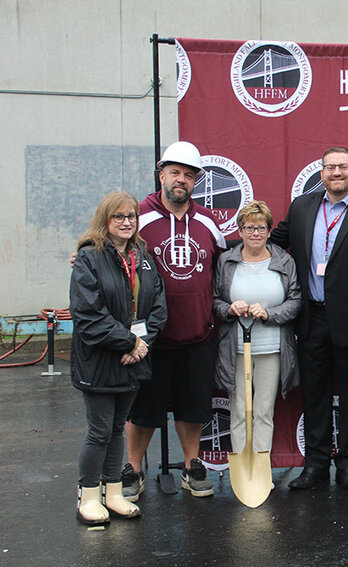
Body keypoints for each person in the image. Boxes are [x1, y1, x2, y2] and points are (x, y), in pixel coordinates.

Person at [269, 147, 348, 491]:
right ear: (321, 173)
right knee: (314, 396)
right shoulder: (302, 207)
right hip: (311, 319)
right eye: (330, 167)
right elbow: (271, 242)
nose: (336, 172)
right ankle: (315, 466)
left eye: (343, 167)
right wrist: (222, 247)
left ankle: (347, 467)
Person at [122, 141, 226, 499]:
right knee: (143, 410)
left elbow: (227, 265)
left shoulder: (209, 222)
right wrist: (84, 255)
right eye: (175, 172)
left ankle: (191, 466)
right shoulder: (137, 216)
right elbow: (107, 249)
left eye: (188, 174)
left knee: (193, 406)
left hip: (198, 335)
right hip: (149, 339)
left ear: (195, 181)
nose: (181, 180)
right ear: (161, 173)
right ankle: (133, 469)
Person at [70, 191, 167, 524]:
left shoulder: (142, 255)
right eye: (119, 217)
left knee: (115, 430)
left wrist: (140, 345)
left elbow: (157, 307)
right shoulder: (88, 258)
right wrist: (128, 343)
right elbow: (88, 314)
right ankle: (87, 495)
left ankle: (113, 492)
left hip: (133, 359)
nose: (127, 223)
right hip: (101, 360)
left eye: (131, 217)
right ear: (105, 221)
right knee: (98, 430)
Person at [213, 201, 301, 457]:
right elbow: (215, 301)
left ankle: (261, 468)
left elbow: (295, 301)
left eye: (261, 228)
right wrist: (229, 309)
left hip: (272, 348)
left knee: (263, 410)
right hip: (235, 349)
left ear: (269, 231)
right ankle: (241, 465)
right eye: (249, 228)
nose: (255, 234)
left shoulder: (284, 261)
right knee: (239, 409)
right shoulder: (226, 261)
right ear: (239, 230)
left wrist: (269, 313)